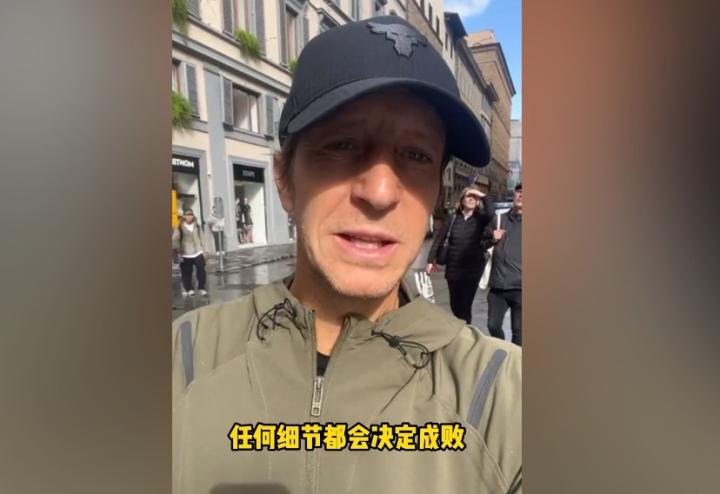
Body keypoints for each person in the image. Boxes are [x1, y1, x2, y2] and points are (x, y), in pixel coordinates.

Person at [172, 17, 521, 494]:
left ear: (435, 194)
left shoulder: (504, 396)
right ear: (285, 180)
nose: (380, 192)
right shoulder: (181, 360)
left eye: (417, 155)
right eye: (342, 144)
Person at [425, 186, 495, 324]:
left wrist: (479, 194)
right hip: (453, 270)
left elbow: (491, 212)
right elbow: (438, 240)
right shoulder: (452, 218)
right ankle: (463, 327)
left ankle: (465, 330)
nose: (472, 199)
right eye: (469, 196)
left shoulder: (480, 219)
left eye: (474, 197)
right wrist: (430, 261)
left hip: (472, 271)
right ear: (462, 200)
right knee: (455, 306)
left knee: (465, 306)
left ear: (478, 201)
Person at [485, 183, 523, 345]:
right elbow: (481, 244)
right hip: (498, 286)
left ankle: (516, 358)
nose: (521, 195)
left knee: (519, 332)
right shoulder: (499, 219)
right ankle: (505, 352)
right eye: (519, 192)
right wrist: (492, 238)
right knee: (492, 325)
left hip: (521, 288)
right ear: (514, 195)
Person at [172, 209, 208, 297]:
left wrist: (205, 250)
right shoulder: (179, 226)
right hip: (185, 253)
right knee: (187, 272)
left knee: (201, 270)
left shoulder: (197, 225)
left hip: (198, 251)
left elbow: (202, 237)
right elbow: (175, 239)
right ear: (184, 216)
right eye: (187, 215)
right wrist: (177, 251)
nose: (189, 216)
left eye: (191, 214)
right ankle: (189, 289)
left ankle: (201, 288)